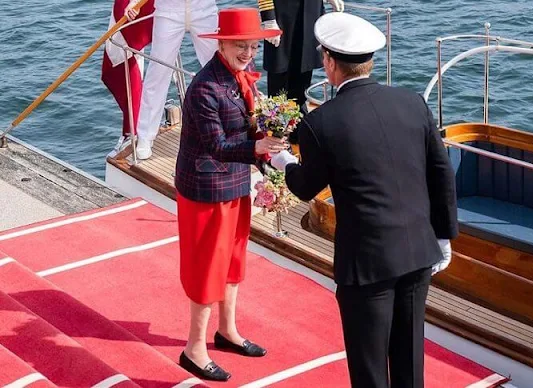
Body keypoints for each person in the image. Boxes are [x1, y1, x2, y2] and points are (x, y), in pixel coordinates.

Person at [270, 12, 458, 388]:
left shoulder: (320, 124)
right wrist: (443, 236)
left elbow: (306, 187)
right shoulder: (411, 103)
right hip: (419, 252)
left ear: (328, 62)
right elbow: (441, 172)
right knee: (409, 365)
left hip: (367, 267)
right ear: (370, 61)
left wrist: (283, 162)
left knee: (370, 371)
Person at [173, 8, 286, 381]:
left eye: (253, 46)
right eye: (241, 45)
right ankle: (194, 348)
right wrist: (259, 147)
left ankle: (226, 331)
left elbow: (247, 131)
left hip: (234, 181)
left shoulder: (241, 78)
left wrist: (269, 149)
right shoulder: (205, 87)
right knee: (208, 266)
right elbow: (217, 145)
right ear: (221, 43)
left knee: (234, 259)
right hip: (205, 189)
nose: (248, 52)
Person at [122, 0, 280, 160]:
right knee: (157, 74)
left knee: (230, 68)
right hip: (168, 10)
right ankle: (145, 136)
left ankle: (245, 127)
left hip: (203, 8)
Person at [261, 0, 344, 113]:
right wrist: (268, 17)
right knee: (280, 71)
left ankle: (299, 116)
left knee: (304, 66)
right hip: (282, 16)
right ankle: (275, 121)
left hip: (311, 10)